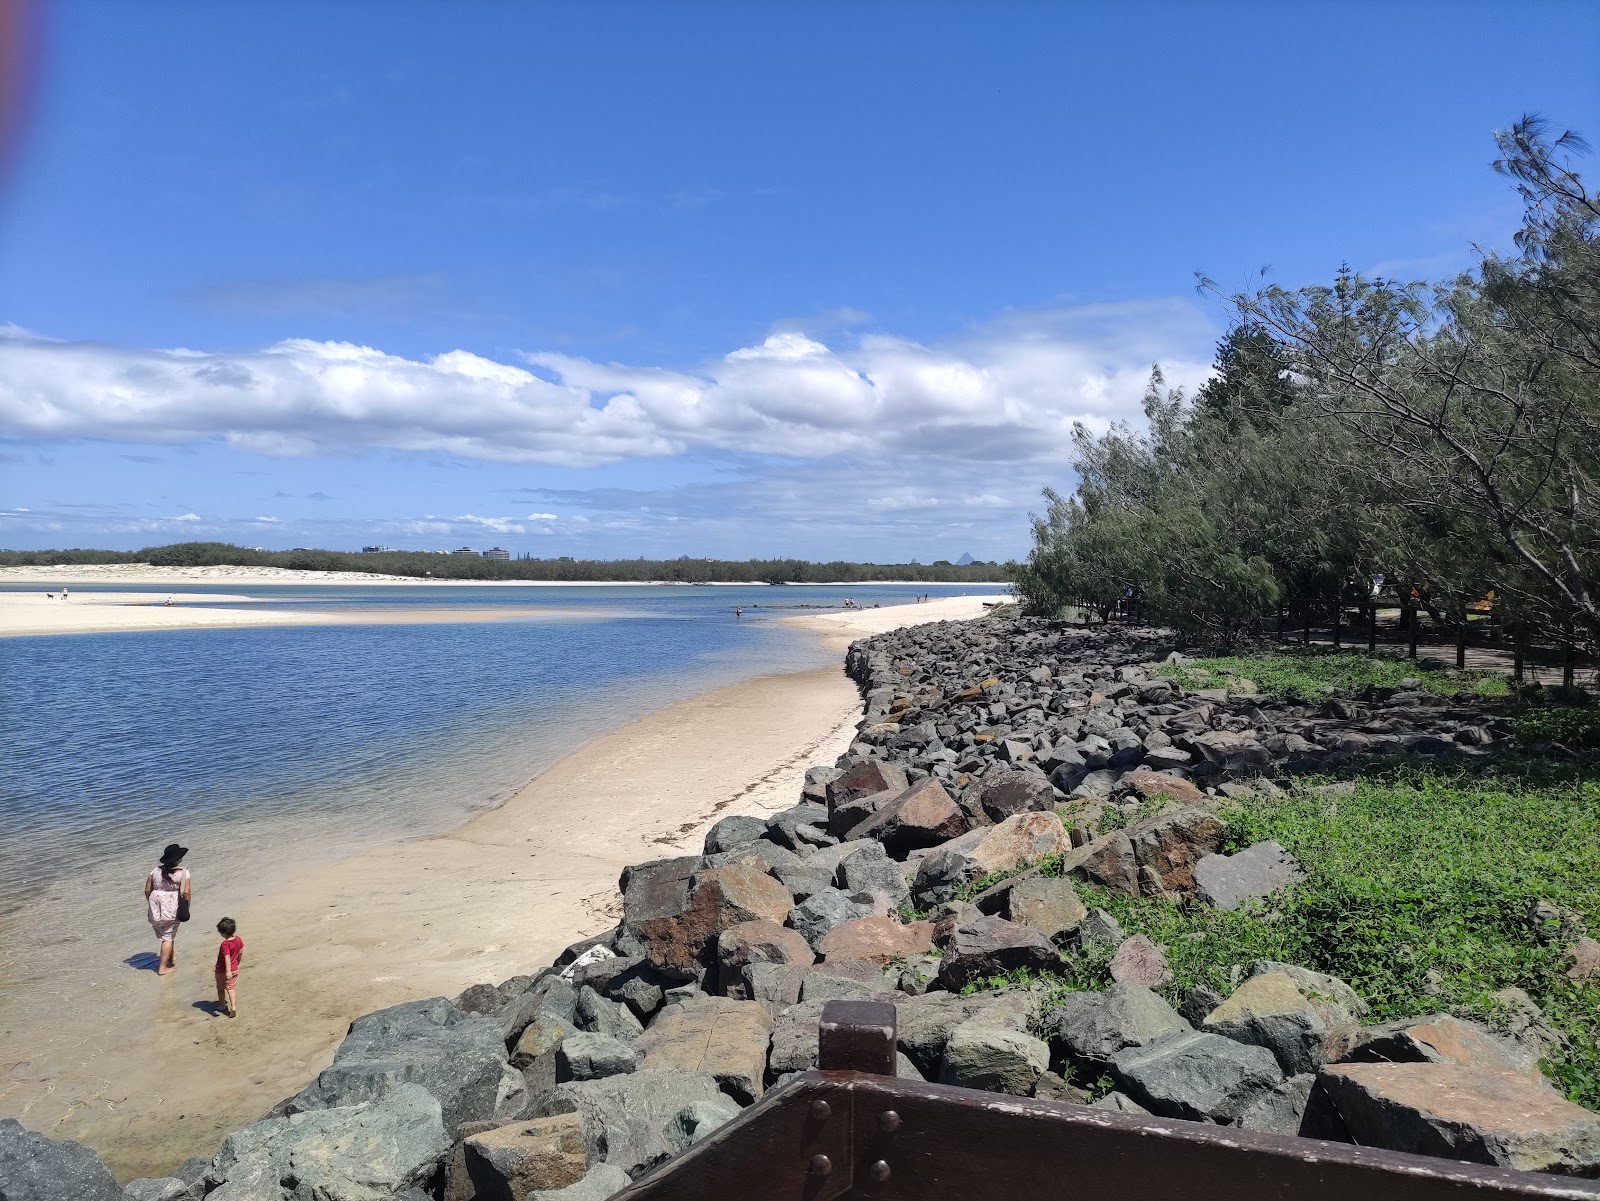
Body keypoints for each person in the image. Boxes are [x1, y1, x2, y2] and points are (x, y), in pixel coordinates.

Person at [144, 843, 191, 975]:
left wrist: (152, 902)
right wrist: (186, 907)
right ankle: (162, 967)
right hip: (171, 908)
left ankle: (171, 956)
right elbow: (186, 893)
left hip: (155, 907)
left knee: (167, 933)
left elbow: (147, 890)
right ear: (178, 859)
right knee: (168, 936)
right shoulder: (183, 873)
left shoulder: (154, 871)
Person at [214, 917, 243, 1017]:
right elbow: (240, 952)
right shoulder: (238, 939)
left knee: (220, 988)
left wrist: (228, 971)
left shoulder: (225, 944)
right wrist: (237, 962)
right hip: (234, 968)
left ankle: (222, 1005)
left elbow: (226, 957)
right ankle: (233, 1006)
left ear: (223, 933)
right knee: (231, 988)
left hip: (223, 970)